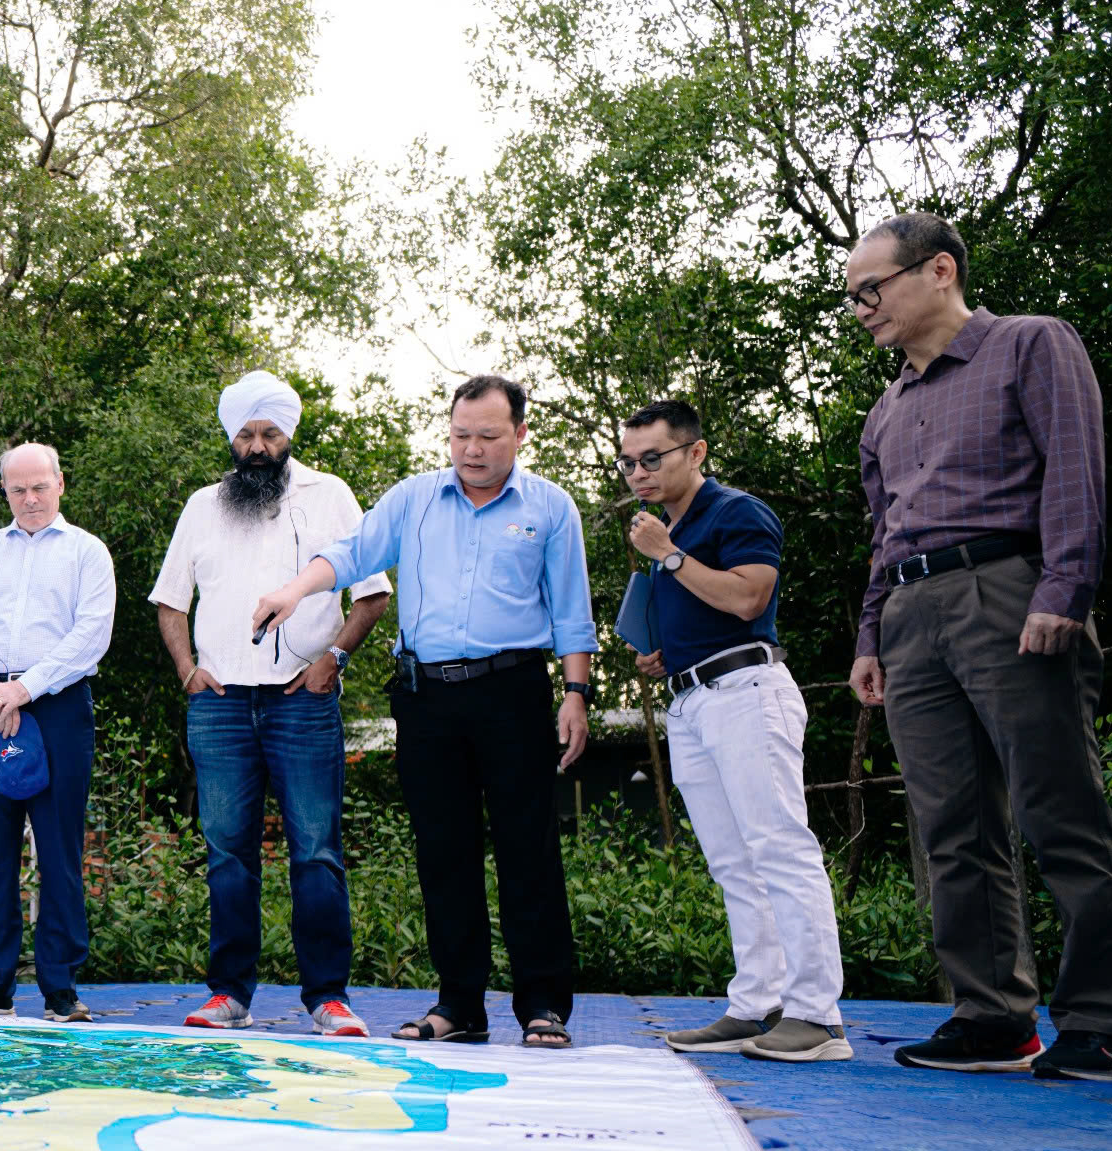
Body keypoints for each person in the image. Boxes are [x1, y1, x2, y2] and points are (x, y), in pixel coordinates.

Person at [844, 213, 1112, 1082]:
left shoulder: (1031, 346)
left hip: (1009, 592)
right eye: (853, 297)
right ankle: (992, 1017)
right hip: (911, 615)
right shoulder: (884, 411)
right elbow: (885, 533)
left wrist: (1065, 589)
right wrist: (872, 635)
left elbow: (1076, 471)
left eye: (875, 288)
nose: (863, 307)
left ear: (939, 270)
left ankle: (1105, 1022)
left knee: (1060, 810)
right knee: (949, 827)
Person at [258, 374, 598, 1048]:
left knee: (527, 848)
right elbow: (352, 552)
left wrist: (576, 692)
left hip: (514, 688)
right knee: (445, 852)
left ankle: (542, 1004)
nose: (472, 450)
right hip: (427, 695)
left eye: (488, 437)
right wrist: (295, 590)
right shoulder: (413, 499)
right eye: (461, 436)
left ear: (521, 435)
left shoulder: (551, 508)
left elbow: (571, 610)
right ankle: (459, 1004)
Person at [147, 375, 391, 1033]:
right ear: (231, 437)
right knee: (227, 850)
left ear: (289, 435)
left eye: (269, 434)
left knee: (316, 848)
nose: (257, 446)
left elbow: (372, 592)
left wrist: (332, 659)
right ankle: (229, 994)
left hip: (302, 703)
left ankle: (327, 998)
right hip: (220, 704)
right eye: (246, 434)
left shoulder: (331, 495)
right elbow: (171, 601)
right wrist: (186, 670)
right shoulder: (203, 505)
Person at [615, 402, 850, 1062]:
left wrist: (666, 556)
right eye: (628, 461)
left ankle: (818, 1016)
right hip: (690, 700)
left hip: (748, 690)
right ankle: (758, 1005)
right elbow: (707, 609)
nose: (639, 471)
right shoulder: (673, 528)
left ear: (696, 453)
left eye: (652, 458)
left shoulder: (736, 512)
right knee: (733, 861)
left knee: (779, 845)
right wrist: (662, 653)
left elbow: (749, 598)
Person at [0, 443, 117, 1021]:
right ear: (5, 492)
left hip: (58, 707)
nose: (30, 499)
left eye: (39, 487)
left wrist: (25, 689)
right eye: (18, 490)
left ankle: (60, 988)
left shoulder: (88, 553)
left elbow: (90, 635)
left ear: (60, 483)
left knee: (59, 850)